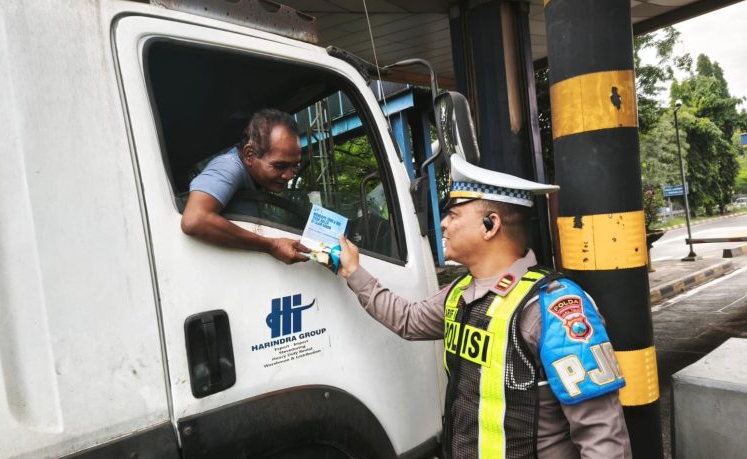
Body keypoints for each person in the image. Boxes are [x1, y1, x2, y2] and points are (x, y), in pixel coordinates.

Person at [337, 154, 631, 458]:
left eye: (454, 215)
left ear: (490, 225)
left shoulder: (553, 307)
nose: (444, 224)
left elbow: (602, 436)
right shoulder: (461, 292)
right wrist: (352, 270)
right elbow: (408, 320)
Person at [181, 109, 309, 264]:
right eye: (280, 166)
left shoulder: (255, 177)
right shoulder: (228, 167)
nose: (289, 175)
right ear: (249, 154)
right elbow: (195, 220)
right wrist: (272, 245)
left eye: (294, 166)